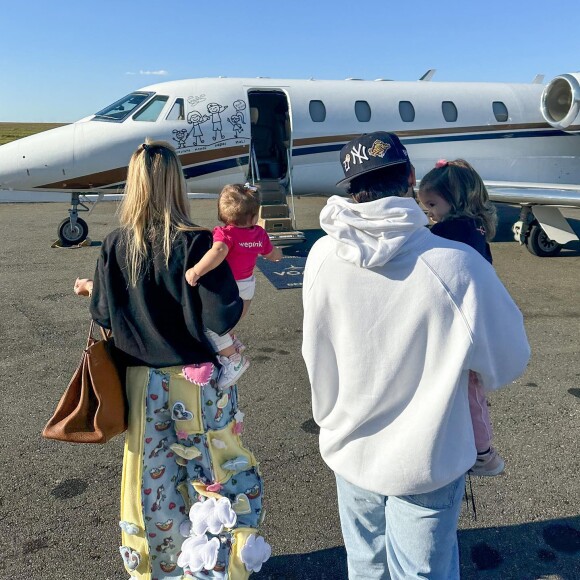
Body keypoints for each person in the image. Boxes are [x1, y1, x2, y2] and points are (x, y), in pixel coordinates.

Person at [301, 132, 530, 579]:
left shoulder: (322, 255)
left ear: (350, 187)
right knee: (424, 570)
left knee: (366, 564)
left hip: (348, 448)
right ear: (409, 178)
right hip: (426, 459)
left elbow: (315, 348)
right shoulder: (456, 265)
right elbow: (509, 357)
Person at [75, 140, 270, 580]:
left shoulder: (114, 244)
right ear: (177, 185)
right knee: (213, 474)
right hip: (196, 385)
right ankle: (218, 565)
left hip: (141, 386)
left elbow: (104, 314)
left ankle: (160, 568)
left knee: (152, 479)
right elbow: (223, 313)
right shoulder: (198, 242)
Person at [418, 158, 503, 476]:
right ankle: (476, 446)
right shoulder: (475, 227)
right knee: (469, 390)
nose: (428, 211)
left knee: (467, 390)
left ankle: (482, 453)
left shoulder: (448, 231)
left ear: (455, 201)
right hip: (477, 319)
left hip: (460, 326)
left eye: (431, 204)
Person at [185, 183, 282, 388]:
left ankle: (232, 360)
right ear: (255, 217)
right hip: (247, 287)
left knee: (212, 327)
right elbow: (272, 254)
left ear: (222, 214)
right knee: (232, 320)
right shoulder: (259, 234)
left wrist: (196, 271)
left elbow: (218, 252)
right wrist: (278, 255)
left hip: (228, 288)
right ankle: (231, 341)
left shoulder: (225, 234)